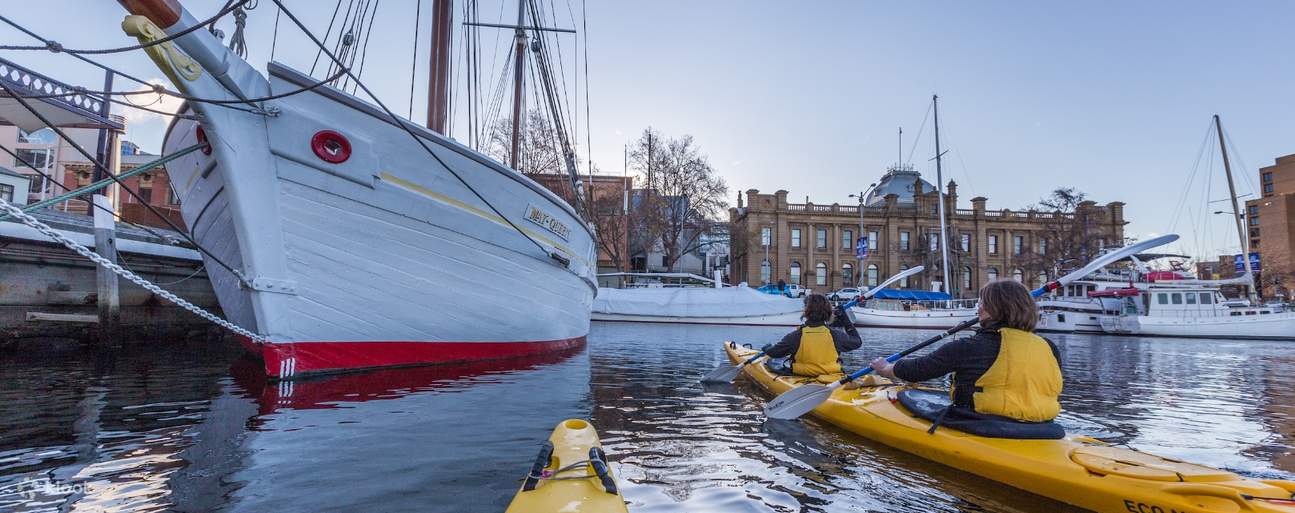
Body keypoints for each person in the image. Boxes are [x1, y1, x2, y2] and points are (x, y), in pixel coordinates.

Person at [869, 279, 1063, 423]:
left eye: (982, 304)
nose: (978, 309)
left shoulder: (971, 346)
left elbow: (918, 370)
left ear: (993, 309)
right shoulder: (1048, 346)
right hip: (1044, 426)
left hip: (985, 424)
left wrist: (886, 368)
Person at [762, 294, 862, 377]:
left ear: (806, 312)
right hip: (832, 376)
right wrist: (845, 319)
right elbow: (857, 342)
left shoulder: (796, 336)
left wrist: (767, 348)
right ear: (828, 312)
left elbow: (774, 353)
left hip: (802, 376)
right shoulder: (836, 335)